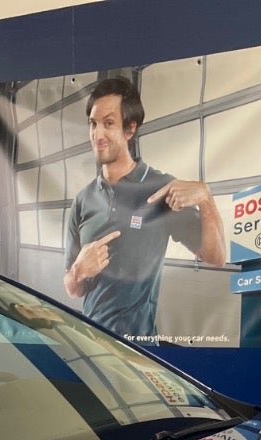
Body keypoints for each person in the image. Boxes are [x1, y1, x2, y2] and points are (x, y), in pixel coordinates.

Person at [63, 76, 226, 342]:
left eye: (108, 123)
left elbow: (216, 256)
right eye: (93, 124)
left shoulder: (161, 188)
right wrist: (79, 271)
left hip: (139, 349)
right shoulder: (82, 200)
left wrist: (206, 198)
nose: (97, 135)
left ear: (130, 129)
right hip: (91, 344)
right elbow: (73, 289)